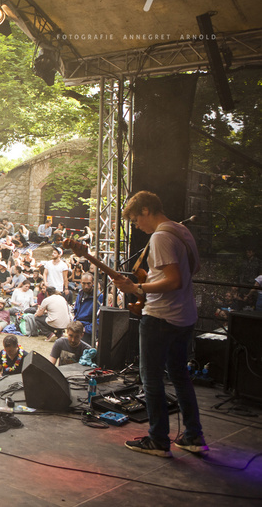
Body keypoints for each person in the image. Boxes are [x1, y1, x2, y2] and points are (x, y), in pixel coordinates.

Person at [114, 190, 208, 458]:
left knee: (151, 379)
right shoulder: (182, 230)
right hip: (184, 316)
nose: (136, 226)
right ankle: (193, 435)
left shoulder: (160, 237)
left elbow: (174, 280)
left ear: (145, 210)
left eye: (134, 220)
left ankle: (158, 440)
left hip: (161, 318)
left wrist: (138, 287)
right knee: (180, 376)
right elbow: (194, 269)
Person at [72, 273, 102, 345]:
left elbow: (100, 319)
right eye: (84, 283)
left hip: (88, 331)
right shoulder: (80, 294)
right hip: (78, 326)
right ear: (81, 283)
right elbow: (76, 311)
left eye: (88, 284)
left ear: (93, 283)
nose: (86, 286)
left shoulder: (99, 297)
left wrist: (87, 329)